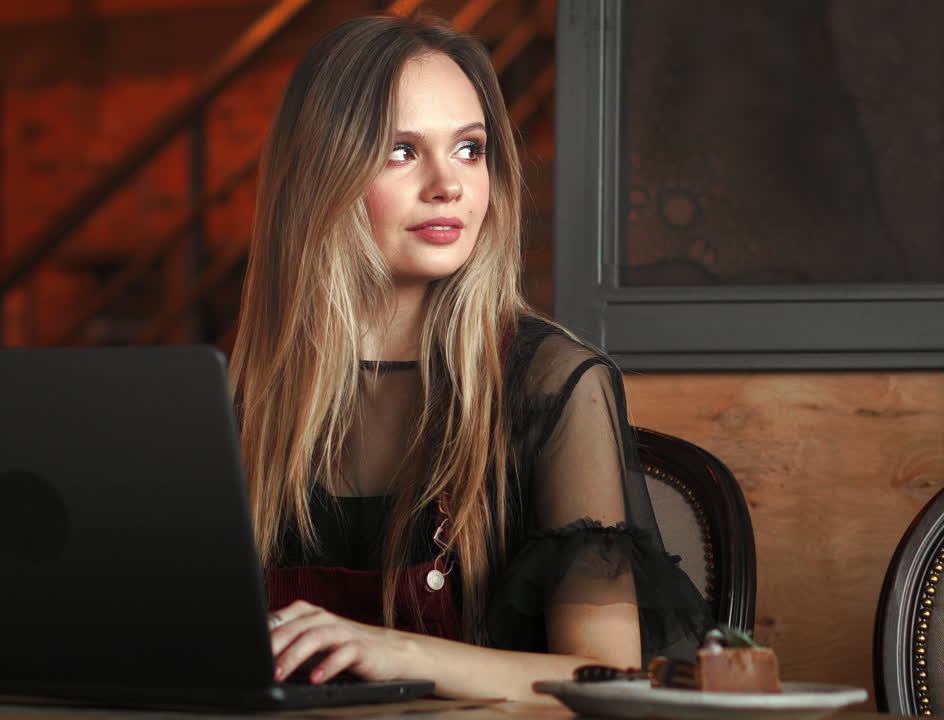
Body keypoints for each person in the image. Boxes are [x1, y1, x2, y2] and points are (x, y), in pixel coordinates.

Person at [228, 14, 709, 702]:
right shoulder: (248, 398)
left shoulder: (553, 383)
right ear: (319, 172)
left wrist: (389, 649)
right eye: (400, 151)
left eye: (469, 149)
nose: (448, 185)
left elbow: (608, 677)